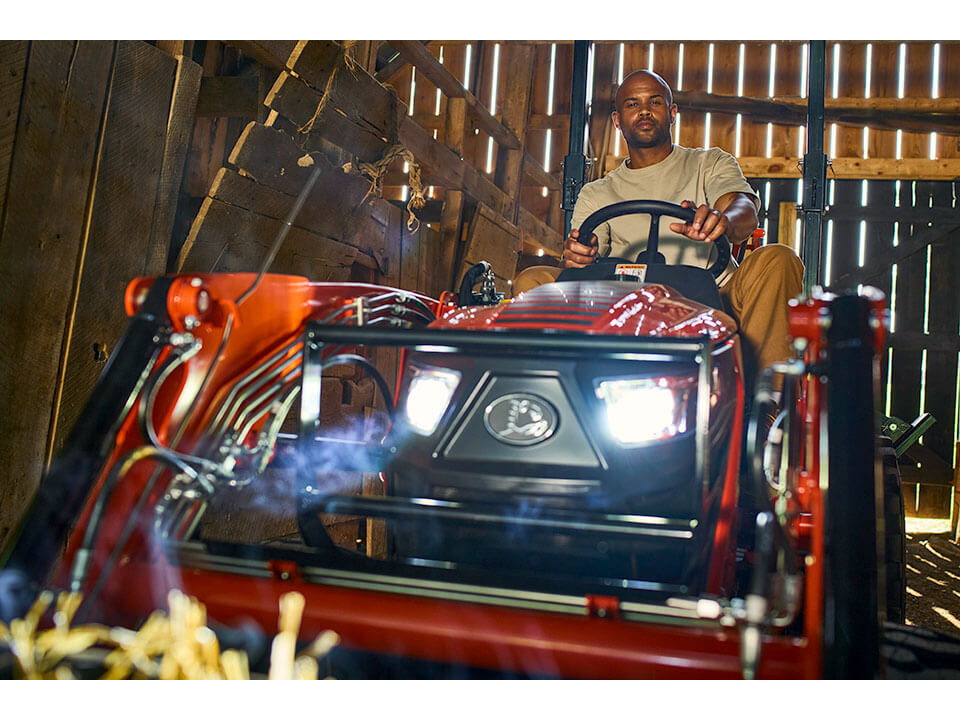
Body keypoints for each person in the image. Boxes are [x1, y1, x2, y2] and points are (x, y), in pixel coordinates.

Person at [561, 69, 803, 390]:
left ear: (672, 113)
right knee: (532, 279)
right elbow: (579, 259)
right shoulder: (597, 193)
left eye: (655, 102)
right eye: (633, 104)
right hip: (630, 304)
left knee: (777, 258)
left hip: (714, 295)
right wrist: (579, 254)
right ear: (618, 120)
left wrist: (724, 220)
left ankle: (766, 409)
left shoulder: (709, 163)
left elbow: (743, 208)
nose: (645, 110)